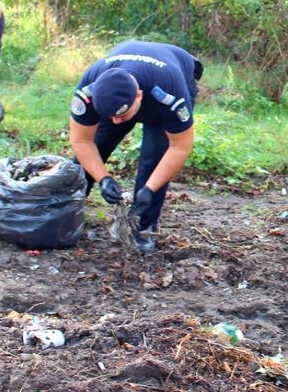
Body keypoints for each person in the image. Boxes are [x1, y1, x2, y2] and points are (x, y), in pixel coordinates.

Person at [69, 41, 203, 254]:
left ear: (139, 96)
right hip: (124, 82)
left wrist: (149, 190)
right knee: (101, 140)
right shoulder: (89, 88)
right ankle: (67, 209)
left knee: (155, 154)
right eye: (110, 115)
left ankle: (142, 227)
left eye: (122, 115)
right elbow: (81, 141)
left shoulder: (170, 93)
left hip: (168, 76)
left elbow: (180, 146)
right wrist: (103, 178)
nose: (115, 121)